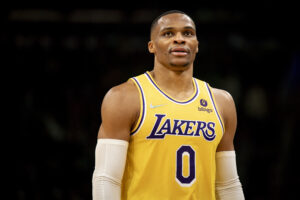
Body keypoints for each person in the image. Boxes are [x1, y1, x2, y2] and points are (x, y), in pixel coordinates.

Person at [92, 10, 245, 200]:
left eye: (187, 33)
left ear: (196, 45)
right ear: (151, 46)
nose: (179, 39)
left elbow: (228, 184)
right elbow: (107, 178)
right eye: (168, 34)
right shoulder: (124, 97)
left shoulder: (222, 102)